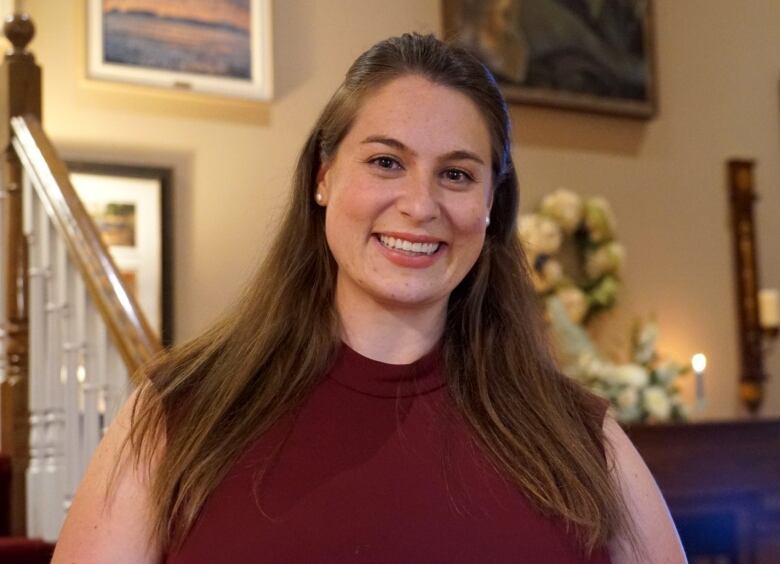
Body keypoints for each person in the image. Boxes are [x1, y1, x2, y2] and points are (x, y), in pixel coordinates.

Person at [52, 33, 685, 563]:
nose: (420, 204)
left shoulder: (580, 436)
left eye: (457, 174)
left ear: (491, 205)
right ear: (324, 177)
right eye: (386, 162)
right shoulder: (177, 414)